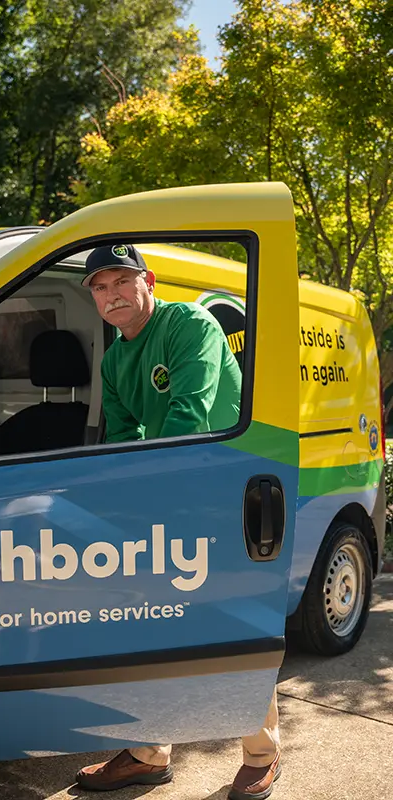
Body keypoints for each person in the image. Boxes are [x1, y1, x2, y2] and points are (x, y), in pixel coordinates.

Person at [74, 244, 281, 800]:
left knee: (232, 629)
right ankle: (148, 753)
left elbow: (189, 415)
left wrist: (148, 497)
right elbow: (122, 440)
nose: (111, 295)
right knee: (155, 628)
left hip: (223, 494)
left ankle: (261, 754)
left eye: (121, 281)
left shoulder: (188, 324)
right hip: (169, 501)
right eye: (99, 287)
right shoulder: (115, 359)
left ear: (148, 281)